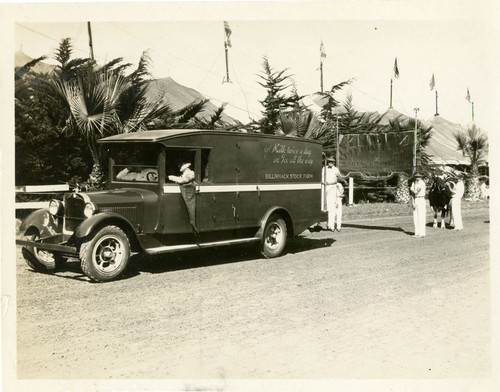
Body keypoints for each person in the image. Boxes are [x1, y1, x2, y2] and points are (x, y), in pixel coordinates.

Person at [323, 158, 341, 231]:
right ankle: (328, 224)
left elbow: (338, 180)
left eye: (332, 162)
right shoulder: (324, 168)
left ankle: (332, 225)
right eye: (330, 162)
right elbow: (322, 177)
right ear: (327, 162)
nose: (331, 163)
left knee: (332, 207)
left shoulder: (336, 169)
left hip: (332, 189)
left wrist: (329, 183)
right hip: (324, 188)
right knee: (325, 206)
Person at [409, 172, 426, 238]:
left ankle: (422, 233)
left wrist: (412, 190)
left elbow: (416, 191)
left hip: (421, 199)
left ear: (420, 177)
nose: (417, 178)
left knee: (421, 216)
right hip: (416, 199)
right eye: (416, 177)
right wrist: (413, 202)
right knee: (415, 216)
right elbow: (413, 194)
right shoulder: (414, 183)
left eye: (418, 176)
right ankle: (417, 233)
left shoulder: (422, 183)